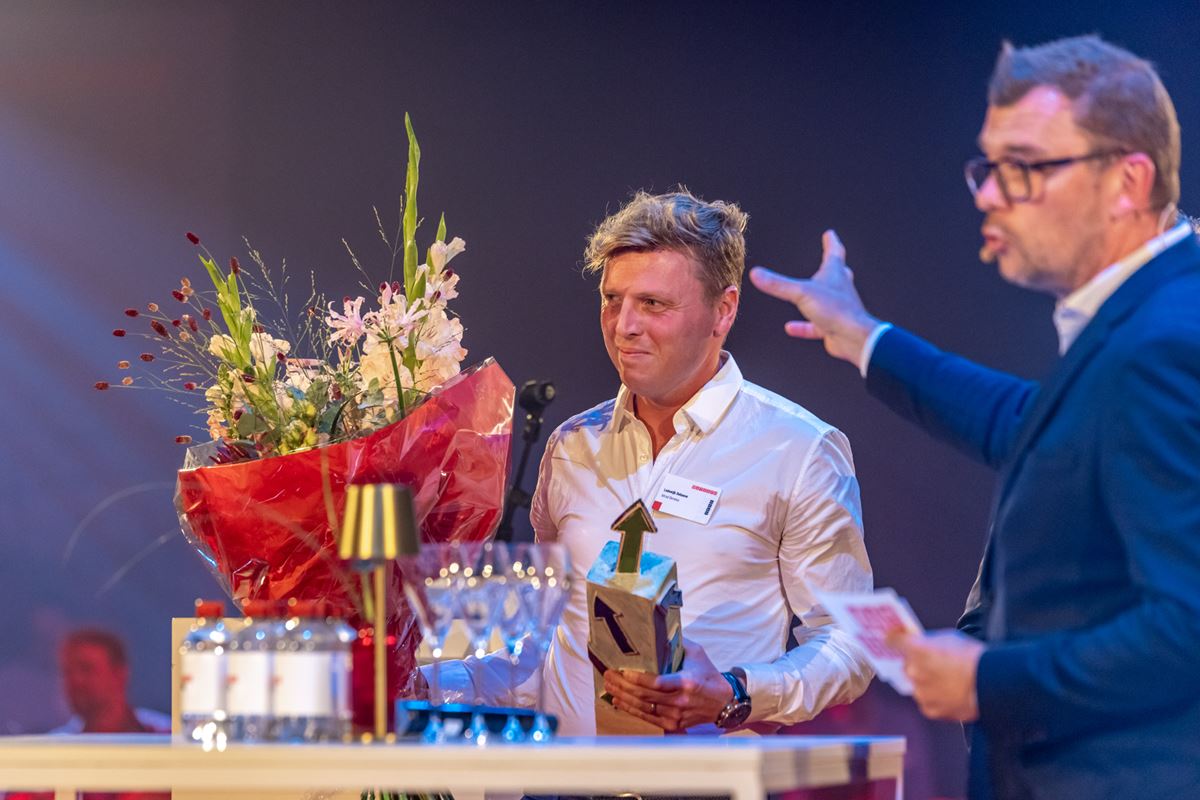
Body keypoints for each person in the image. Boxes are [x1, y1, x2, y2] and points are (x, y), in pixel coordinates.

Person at [750, 35, 1200, 800]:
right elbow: (1029, 425)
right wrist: (863, 337)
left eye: (1024, 167)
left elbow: (1188, 628)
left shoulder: (1162, 343)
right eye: (986, 168)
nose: (989, 194)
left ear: (1128, 181)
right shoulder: (1142, 324)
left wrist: (989, 679)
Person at [435, 189, 874, 735]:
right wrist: (425, 681)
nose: (623, 325)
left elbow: (850, 643)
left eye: (653, 304)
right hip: (564, 778)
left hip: (708, 778)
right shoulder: (572, 446)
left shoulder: (798, 450)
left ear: (724, 311)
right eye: (612, 299)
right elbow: (553, 645)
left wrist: (736, 692)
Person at [52, 628, 170, 734]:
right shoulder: (55, 746)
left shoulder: (167, 736)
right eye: (67, 672)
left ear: (120, 673)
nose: (76, 680)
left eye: (86, 669)